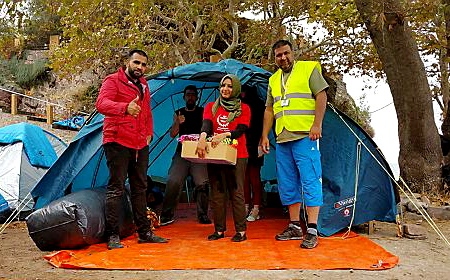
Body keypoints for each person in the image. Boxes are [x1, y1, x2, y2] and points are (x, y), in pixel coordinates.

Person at [96, 49, 168, 250]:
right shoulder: (112, 81)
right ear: (127, 62)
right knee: (116, 188)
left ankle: (144, 232)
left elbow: (146, 111)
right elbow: (101, 104)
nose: (140, 67)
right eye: (137, 63)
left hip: (139, 143)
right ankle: (113, 235)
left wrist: (149, 132)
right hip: (117, 140)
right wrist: (124, 108)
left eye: (144, 65)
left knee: (140, 188)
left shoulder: (144, 84)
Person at [260, 40, 328, 249]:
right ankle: (294, 225)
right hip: (282, 138)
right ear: (275, 58)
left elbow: (321, 95)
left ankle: (313, 229)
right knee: (287, 183)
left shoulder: (308, 69)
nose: (283, 58)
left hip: (305, 136)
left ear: (293, 53)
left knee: (310, 180)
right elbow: (269, 110)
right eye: (279, 55)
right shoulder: (273, 80)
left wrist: (317, 124)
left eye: (286, 53)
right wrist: (264, 136)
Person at [196, 74, 250, 242]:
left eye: (229, 86)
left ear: (236, 89)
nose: (225, 89)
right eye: (223, 86)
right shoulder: (211, 106)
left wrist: (224, 135)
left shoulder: (244, 108)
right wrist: (203, 137)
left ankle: (241, 231)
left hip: (237, 154)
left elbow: (240, 131)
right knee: (217, 193)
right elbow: (207, 124)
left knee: (236, 192)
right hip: (216, 153)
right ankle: (219, 230)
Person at [160, 85, 212, 225]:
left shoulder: (203, 112)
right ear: (184, 97)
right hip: (182, 152)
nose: (190, 97)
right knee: (173, 181)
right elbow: (172, 134)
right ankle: (166, 214)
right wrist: (177, 122)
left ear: (196, 97)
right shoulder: (178, 113)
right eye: (188, 94)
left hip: (198, 153)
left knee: (202, 183)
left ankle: (203, 214)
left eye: (193, 95)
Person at [240, 85, 265, 222]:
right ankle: (245, 206)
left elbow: (263, 123)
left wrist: (262, 140)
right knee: (244, 177)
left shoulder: (259, 104)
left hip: (256, 143)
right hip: (242, 143)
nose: (243, 93)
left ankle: (256, 208)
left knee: (254, 176)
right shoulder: (238, 104)